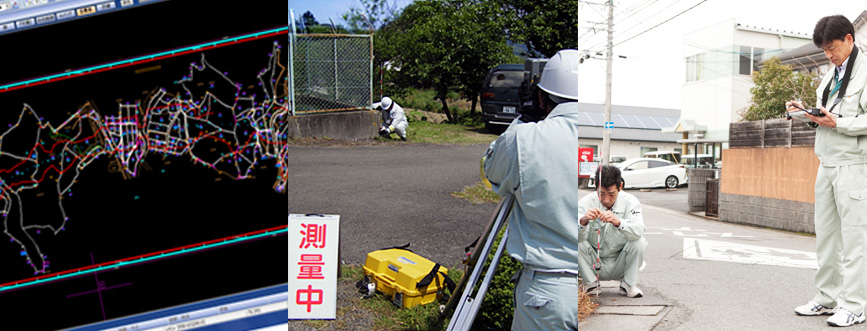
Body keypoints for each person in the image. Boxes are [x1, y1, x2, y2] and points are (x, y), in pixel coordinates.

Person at [482, 49, 583, 331]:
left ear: (540, 97)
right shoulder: (615, 135)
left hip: (550, 292)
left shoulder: (524, 139)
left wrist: (523, 119)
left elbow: (491, 170)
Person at [786, 15, 867, 327]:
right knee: (827, 236)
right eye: (824, 51)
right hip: (827, 163)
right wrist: (805, 113)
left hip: (855, 165)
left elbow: (845, 118)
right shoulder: (830, 75)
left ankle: (856, 306)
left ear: (849, 39)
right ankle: (827, 298)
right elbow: (825, 115)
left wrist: (839, 122)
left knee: (856, 238)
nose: (830, 55)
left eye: (833, 48)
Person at [577, 165, 647, 298]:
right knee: (575, 241)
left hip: (620, 262)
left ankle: (628, 284)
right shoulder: (585, 203)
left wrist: (619, 222)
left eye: (612, 194)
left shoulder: (631, 202)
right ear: (595, 187)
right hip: (593, 262)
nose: (606, 200)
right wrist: (583, 221)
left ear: (620, 186)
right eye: (601, 194)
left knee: (639, 242)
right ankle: (590, 284)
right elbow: (577, 238)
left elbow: (638, 230)